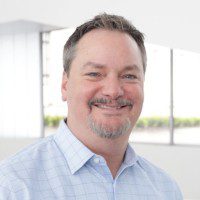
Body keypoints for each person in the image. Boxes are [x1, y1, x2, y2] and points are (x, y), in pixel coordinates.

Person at [0, 13, 182, 199]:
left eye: (129, 76)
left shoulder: (166, 189)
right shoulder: (13, 186)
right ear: (65, 85)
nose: (113, 91)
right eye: (94, 74)